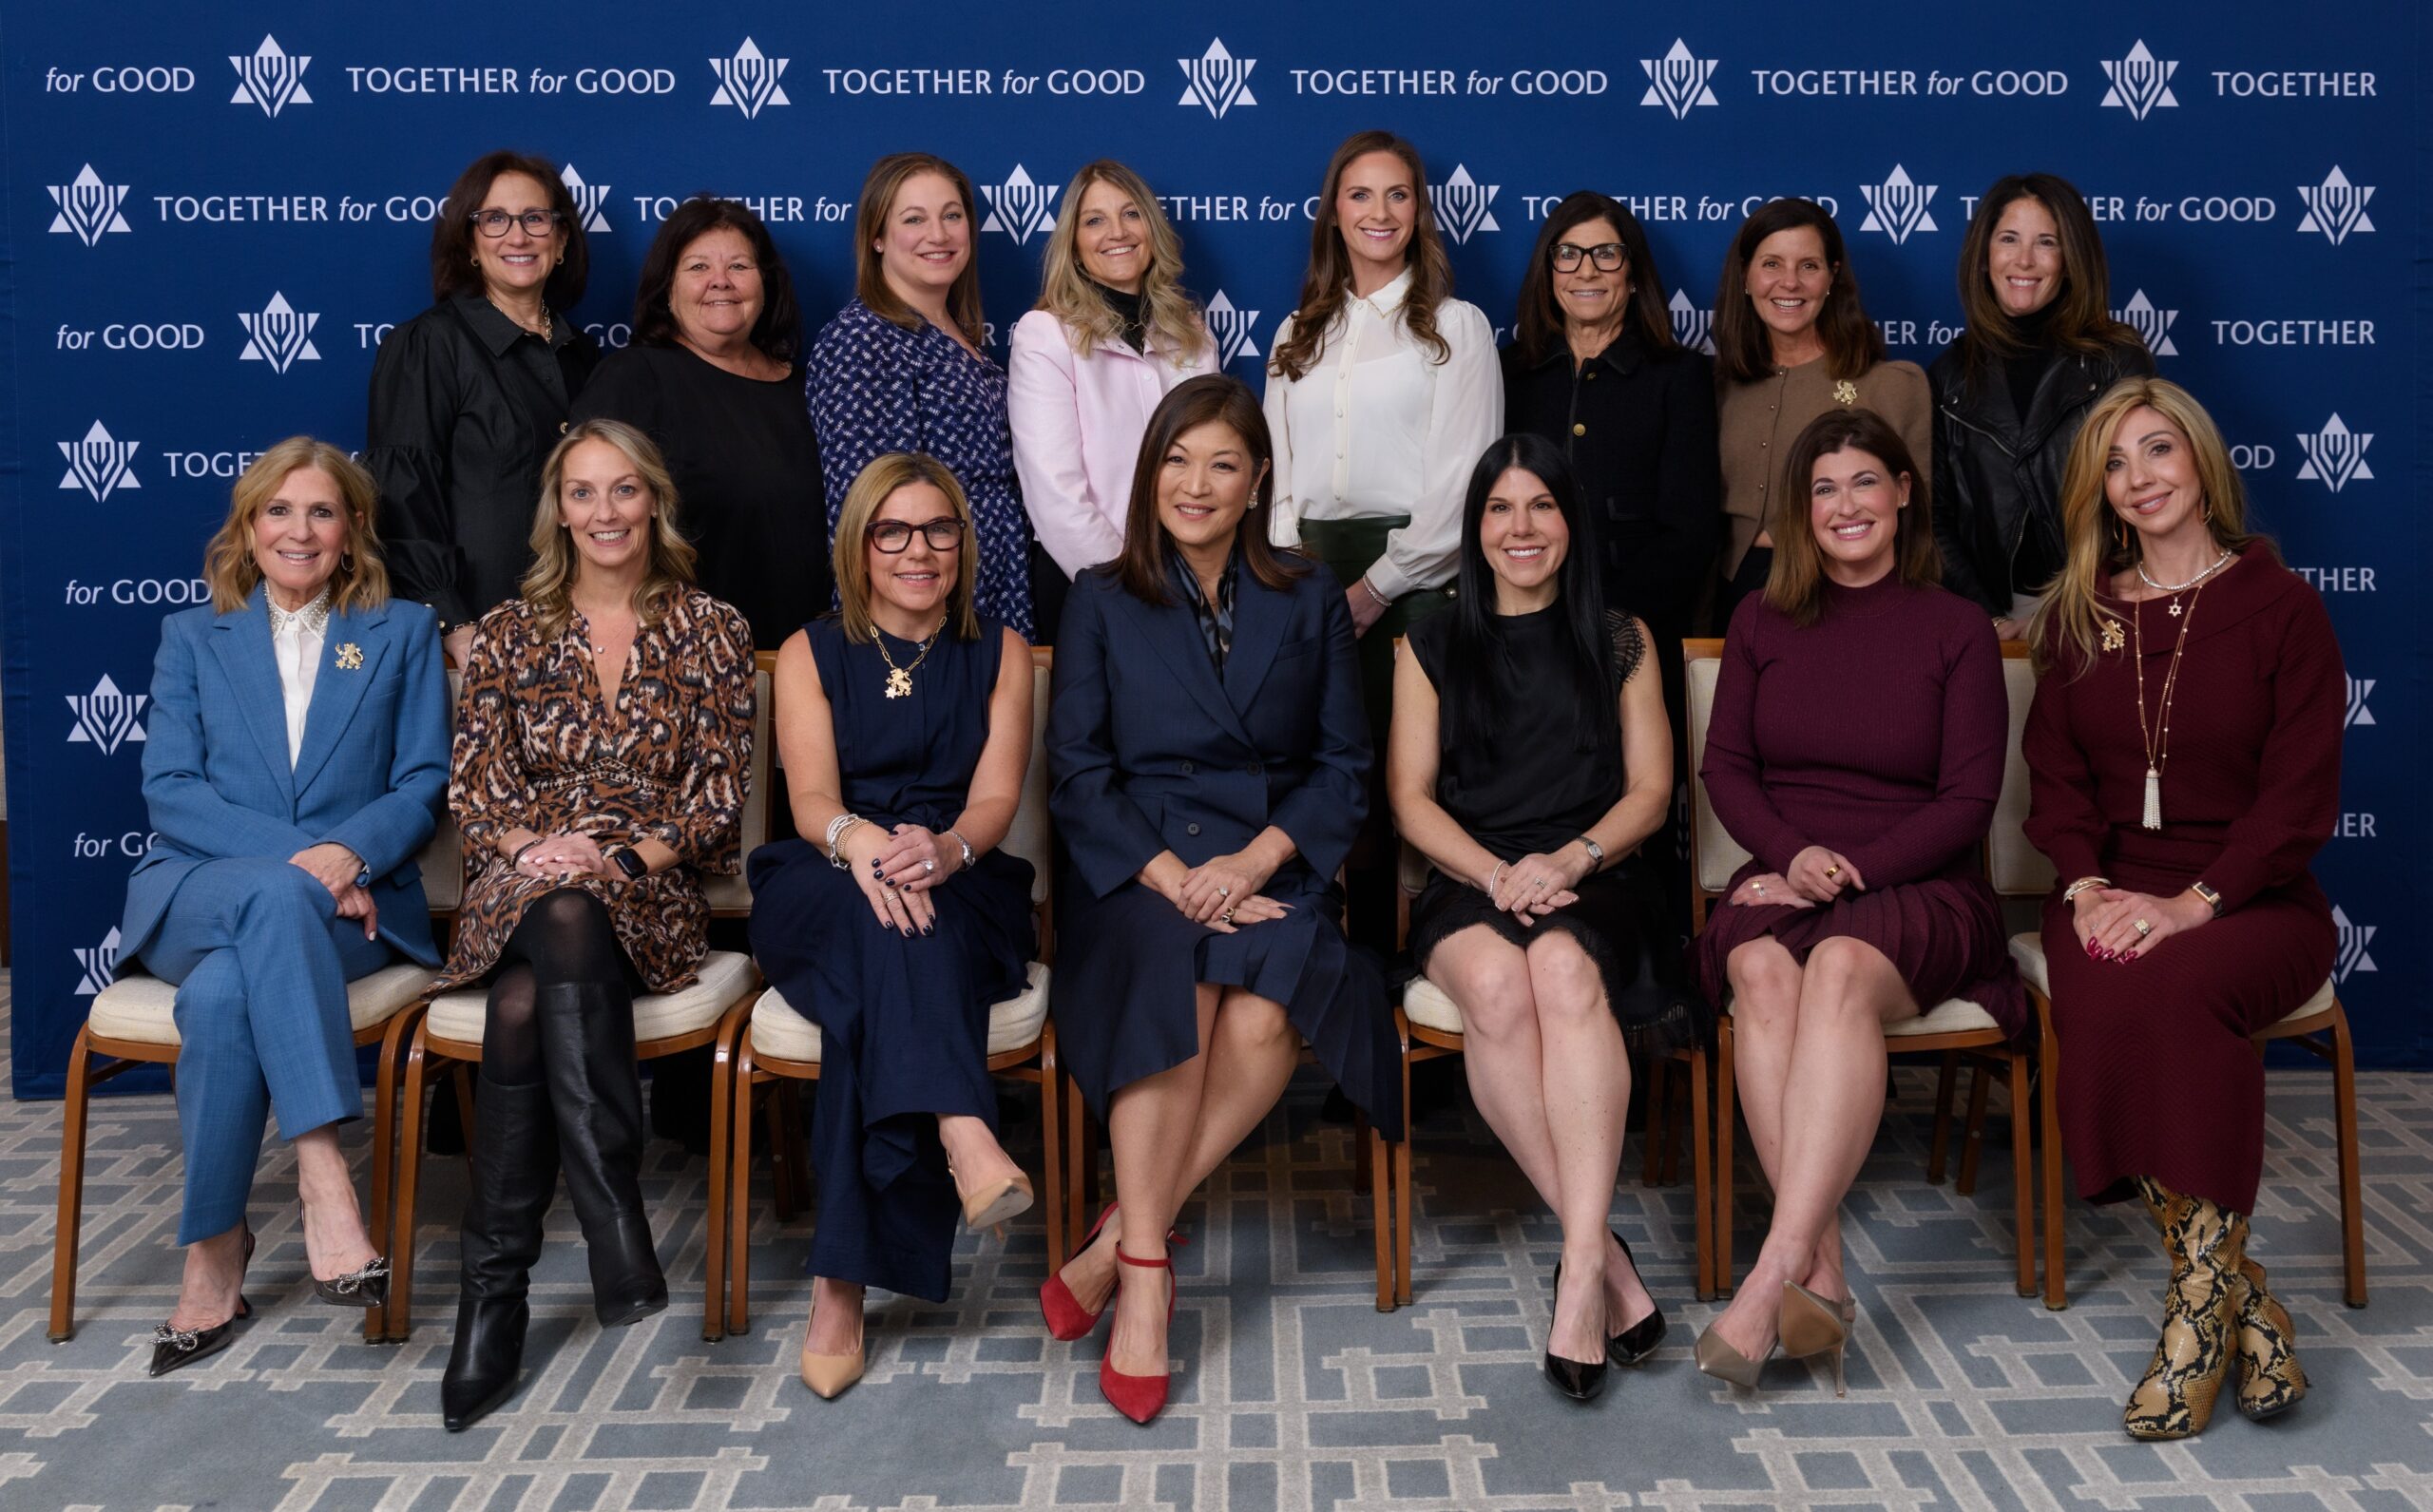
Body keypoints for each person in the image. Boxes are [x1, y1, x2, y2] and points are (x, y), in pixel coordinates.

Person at [1040, 374, 1399, 1426]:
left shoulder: (1310, 596)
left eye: (1223, 464)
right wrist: (1173, 878)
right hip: (1137, 868)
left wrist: (1248, 866)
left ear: (1257, 484)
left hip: (1266, 860)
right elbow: (1078, 773)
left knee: (1273, 996)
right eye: (1176, 460)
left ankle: (1118, 1242)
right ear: (1149, 473)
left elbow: (1342, 767)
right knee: (1178, 977)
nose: (1195, 484)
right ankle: (1149, 1271)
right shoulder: (1101, 596)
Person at [2022, 376, 2337, 1441]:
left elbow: (2298, 797)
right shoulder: (2079, 613)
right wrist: (2087, 884)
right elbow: (2055, 780)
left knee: (2179, 980)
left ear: (2200, 462)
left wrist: (2194, 903)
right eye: (2115, 462)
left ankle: (2191, 1315)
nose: (2138, 477)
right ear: (2099, 491)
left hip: (2256, 899)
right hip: (2109, 892)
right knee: (2108, 976)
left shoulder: (2281, 606)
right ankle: (2238, 1296)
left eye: (2157, 451)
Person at [430, 419, 755, 1431]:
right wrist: (541, 849)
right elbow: (476, 792)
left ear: (653, 500)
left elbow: (713, 800)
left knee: (527, 1000)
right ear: (556, 509)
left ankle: (494, 1297)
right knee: (555, 919)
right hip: (519, 879)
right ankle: (613, 1218)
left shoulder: (713, 627)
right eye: (583, 493)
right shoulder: (507, 632)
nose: (605, 513)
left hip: (648, 889)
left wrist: (615, 858)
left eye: (624, 491)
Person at [1693, 408, 2021, 1395]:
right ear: (1800, 510)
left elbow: (1970, 798)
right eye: (1823, 489)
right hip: (1786, 873)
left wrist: (1856, 869)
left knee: (1834, 966)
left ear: (1903, 493)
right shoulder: (1759, 619)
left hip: (1918, 883)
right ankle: (1821, 1274)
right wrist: (1792, 857)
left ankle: (1768, 1276)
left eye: (1864, 483)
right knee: (1756, 964)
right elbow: (1726, 767)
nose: (1845, 506)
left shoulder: (1956, 626)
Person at [1387, 434, 1707, 1401]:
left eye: (1540, 507)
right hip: (1469, 873)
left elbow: (1651, 792)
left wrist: (1567, 859)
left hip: (1596, 869)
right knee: (1493, 981)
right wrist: (1496, 875)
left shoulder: (1624, 637)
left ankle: (1574, 1278)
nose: (1520, 528)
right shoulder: (1426, 639)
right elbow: (1409, 800)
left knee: (1564, 972)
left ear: (1570, 522)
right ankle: (1602, 1253)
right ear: (1474, 526)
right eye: (1499, 509)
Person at [118, 440, 448, 1375]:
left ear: (350, 534)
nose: (298, 530)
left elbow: (423, 782)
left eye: (321, 512)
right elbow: (174, 792)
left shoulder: (402, 631)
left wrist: (350, 854)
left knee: (223, 1000)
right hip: (201, 885)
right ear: (248, 528)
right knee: (270, 897)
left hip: (352, 907)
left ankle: (214, 1251)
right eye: (278, 511)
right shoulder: (195, 635)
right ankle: (322, 1178)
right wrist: (309, 866)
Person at [745, 452, 1039, 1400]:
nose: (920, 550)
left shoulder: (1000, 651)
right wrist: (863, 842)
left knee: (884, 970)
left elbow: (996, 797)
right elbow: (811, 800)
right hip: (827, 869)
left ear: (964, 540)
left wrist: (946, 848)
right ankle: (962, 1128)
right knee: (880, 921)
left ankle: (837, 1286)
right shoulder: (808, 651)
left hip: (959, 873)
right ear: (859, 546)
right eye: (894, 532)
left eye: (939, 529)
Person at [1262, 129, 1501, 947]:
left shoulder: (1456, 328)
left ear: (1420, 211)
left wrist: (1373, 590)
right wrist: (1293, 582)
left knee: (1419, 791)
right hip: (1305, 582)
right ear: (1333, 211)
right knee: (1323, 789)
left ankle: (1418, 983)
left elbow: (1463, 491)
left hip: (1417, 586)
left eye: (1398, 194)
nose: (1379, 211)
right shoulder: (1297, 331)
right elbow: (1282, 482)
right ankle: (1338, 996)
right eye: (1360, 194)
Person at [1503, 189, 1719, 918]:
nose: (1586, 268)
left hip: (1634, 633)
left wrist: (1605, 627)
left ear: (1632, 272)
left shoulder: (1677, 375)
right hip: (1522, 632)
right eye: (1568, 252)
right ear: (1548, 269)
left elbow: (1689, 530)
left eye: (1606, 252)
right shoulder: (1514, 371)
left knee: (1635, 805)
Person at [368, 149, 601, 668]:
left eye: (535, 219)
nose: (516, 237)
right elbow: (403, 497)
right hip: (477, 639)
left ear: (561, 241)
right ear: (470, 243)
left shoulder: (585, 357)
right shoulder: (428, 345)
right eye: (494, 220)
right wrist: (454, 624)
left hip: (581, 637)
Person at [573, 197, 829, 650]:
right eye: (697, 268)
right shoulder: (633, 379)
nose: (720, 282)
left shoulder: (810, 389)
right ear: (666, 289)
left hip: (809, 657)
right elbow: (588, 525)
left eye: (739, 266)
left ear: (766, 283)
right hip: (680, 662)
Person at [810, 153, 1032, 640]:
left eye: (952, 216)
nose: (939, 234)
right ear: (877, 237)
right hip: (921, 601)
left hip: (994, 585)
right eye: (915, 219)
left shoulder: (961, 336)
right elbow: (868, 507)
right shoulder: (861, 340)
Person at [1930, 174, 2154, 636]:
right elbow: (1932, 520)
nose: (2024, 260)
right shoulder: (1947, 375)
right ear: (1984, 254)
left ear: (2070, 260)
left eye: (2046, 242)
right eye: (2008, 239)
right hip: (1986, 619)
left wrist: (2066, 608)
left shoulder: (2117, 363)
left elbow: (2141, 499)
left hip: (2099, 609)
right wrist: (1987, 619)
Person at [1008, 159, 1215, 642]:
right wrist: (1134, 590)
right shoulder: (1046, 334)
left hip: (1188, 579)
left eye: (1130, 214)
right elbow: (1056, 494)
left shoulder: (1193, 334)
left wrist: (1195, 577)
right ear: (1074, 244)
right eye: (1094, 220)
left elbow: (1209, 465)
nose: (1116, 232)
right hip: (1087, 580)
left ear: (1152, 227)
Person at [1713, 199, 1928, 629]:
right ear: (1746, 277)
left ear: (1832, 277)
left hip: (1847, 594)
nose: (1789, 283)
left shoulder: (1892, 385)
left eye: (1808, 266)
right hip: (1730, 596)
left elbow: (1919, 524)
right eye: (1772, 264)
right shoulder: (1713, 386)